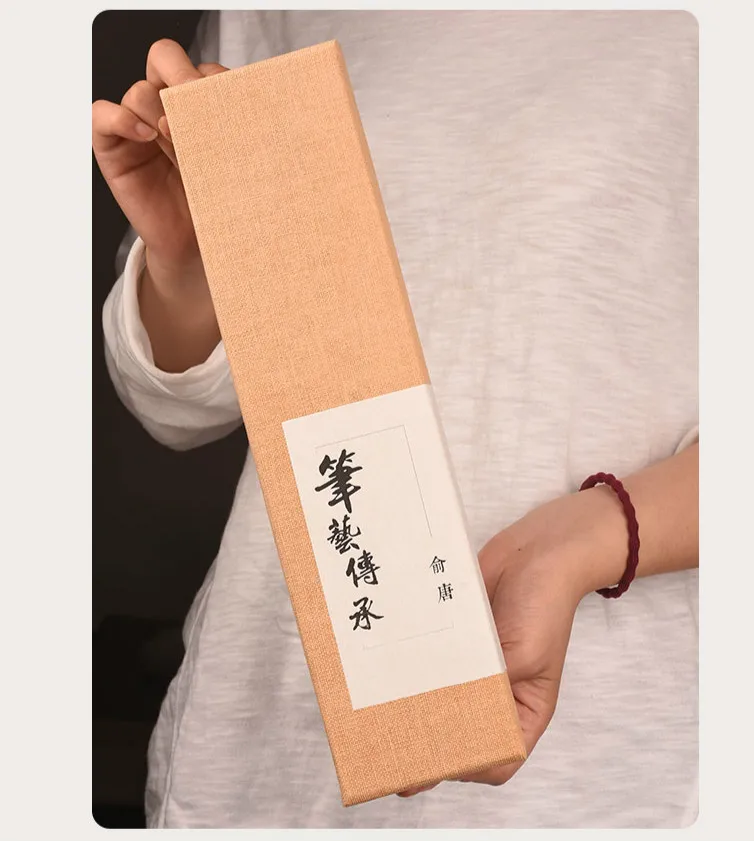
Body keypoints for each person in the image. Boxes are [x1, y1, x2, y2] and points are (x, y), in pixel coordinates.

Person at [93, 10, 699, 829]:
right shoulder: (275, 14)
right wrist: (189, 267)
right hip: (271, 732)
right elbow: (177, 406)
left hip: (602, 752)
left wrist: (588, 539)